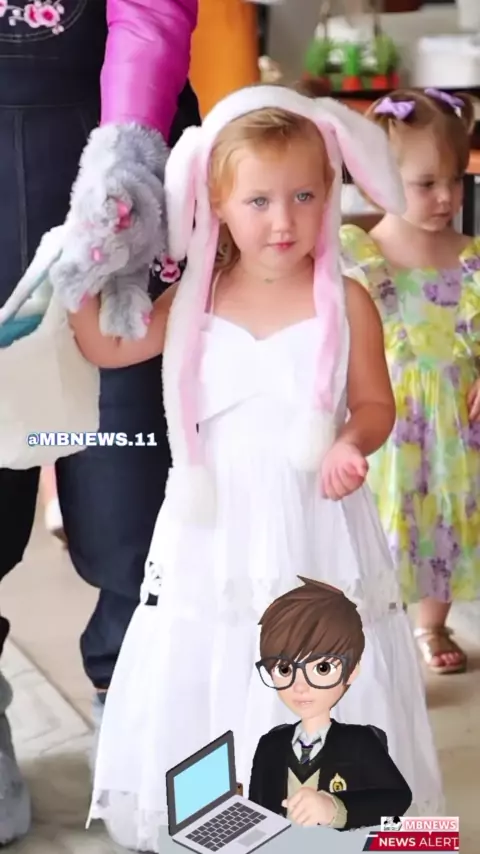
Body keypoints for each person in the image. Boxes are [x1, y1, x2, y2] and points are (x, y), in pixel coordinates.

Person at [67, 84, 442, 850]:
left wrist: (351, 442)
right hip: (217, 519)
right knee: (215, 648)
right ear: (218, 203)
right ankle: (221, 815)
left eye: (305, 196)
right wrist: (80, 270)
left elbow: (376, 404)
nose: (284, 220)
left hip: (315, 520)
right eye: (260, 200)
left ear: (330, 194)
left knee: (314, 658)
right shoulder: (195, 299)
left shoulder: (345, 299)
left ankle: (322, 816)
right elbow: (108, 346)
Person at [0, 0, 199, 844]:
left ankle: (136, 709)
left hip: (119, 161)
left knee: (135, 484)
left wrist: (125, 160)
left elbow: (150, 17)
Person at [340, 88, 480, 675]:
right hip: (386, 423)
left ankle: (432, 622)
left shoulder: (473, 258)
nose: (447, 197)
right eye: (426, 184)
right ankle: (375, 628)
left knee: (448, 522)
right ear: (379, 182)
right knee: (387, 524)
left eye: (456, 180)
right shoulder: (358, 256)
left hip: (459, 427)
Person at [249, 578, 412, 830]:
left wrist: (335, 808)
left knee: (432, 838)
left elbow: (397, 798)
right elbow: (258, 812)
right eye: (284, 669)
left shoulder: (360, 743)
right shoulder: (270, 746)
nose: (300, 686)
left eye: (322, 668)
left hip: (341, 845)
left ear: (351, 670)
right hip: (279, 845)